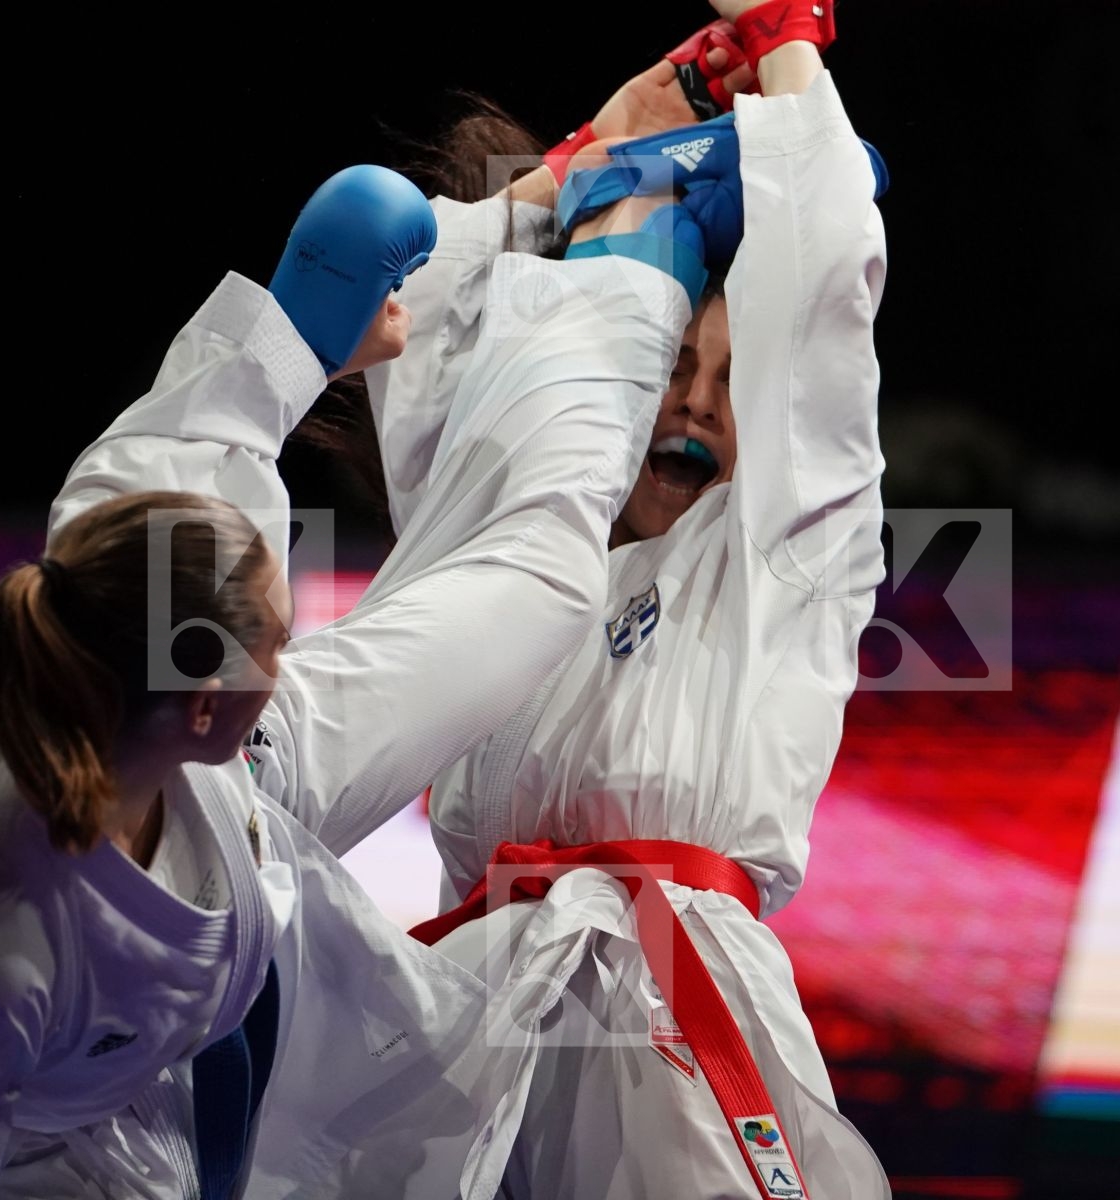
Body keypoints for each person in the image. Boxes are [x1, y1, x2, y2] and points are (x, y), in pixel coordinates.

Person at [0, 153, 707, 1198]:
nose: (299, 657)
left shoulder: (139, 543)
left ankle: (631, 242)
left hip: (234, 796)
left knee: (541, 589)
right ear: (201, 700)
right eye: (275, 647)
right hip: (77, 1158)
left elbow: (246, 375)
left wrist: (535, 195)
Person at [346, 4, 895, 1195]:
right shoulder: (506, 543)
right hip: (466, 1039)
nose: (692, 404)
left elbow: (829, 287)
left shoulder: (783, 556)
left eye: (731, 381)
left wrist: (785, 33)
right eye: (669, 366)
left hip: (674, 1045)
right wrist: (590, 155)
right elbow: (426, 332)